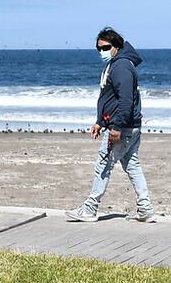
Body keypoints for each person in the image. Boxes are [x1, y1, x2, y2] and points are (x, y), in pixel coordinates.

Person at [65, 27, 155, 223]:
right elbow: (110, 98)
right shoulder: (116, 64)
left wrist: (116, 128)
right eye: (98, 49)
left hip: (123, 127)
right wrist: (100, 121)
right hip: (128, 125)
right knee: (132, 165)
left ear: (117, 46)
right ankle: (146, 208)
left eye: (105, 48)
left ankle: (90, 209)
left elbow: (125, 101)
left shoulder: (121, 66)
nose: (102, 52)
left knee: (103, 165)